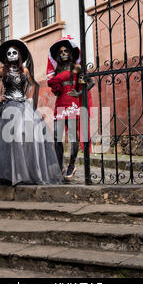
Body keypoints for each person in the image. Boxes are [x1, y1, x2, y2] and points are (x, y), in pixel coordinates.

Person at [0, 39, 62, 191]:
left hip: (23, 107)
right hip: (7, 108)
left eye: (15, 52)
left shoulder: (25, 71)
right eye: (9, 53)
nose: (12, 55)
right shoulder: (2, 71)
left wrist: (28, 96)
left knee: (25, 139)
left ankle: (24, 173)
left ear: (19, 54)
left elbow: (34, 85)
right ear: (5, 57)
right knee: (7, 141)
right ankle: (10, 175)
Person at [47, 36, 93, 181]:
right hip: (60, 105)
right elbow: (55, 90)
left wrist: (79, 92)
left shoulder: (76, 68)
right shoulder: (56, 70)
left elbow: (90, 83)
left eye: (65, 51)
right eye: (60, 52)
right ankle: (59, 167)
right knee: (56, 136)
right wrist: (56, 89)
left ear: (70, 52)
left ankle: (71, 166)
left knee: (73, 138)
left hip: (72, 105)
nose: (63, 53)